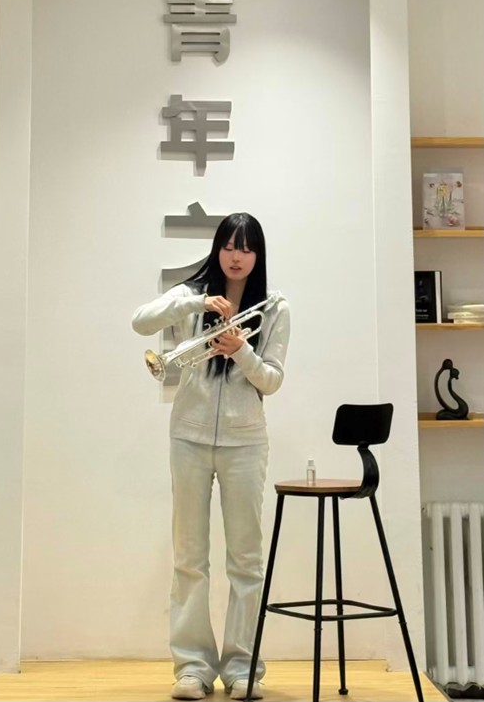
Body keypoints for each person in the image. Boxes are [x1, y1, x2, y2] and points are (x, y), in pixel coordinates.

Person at [132, 213, 290, 701]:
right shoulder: (194, 296)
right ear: (217, 249)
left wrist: (242, 350)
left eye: (246, 248)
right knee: (189, 557)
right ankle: (193, 667)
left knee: (246, 560)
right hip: (189, 437)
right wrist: (197, 301)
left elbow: (271, 380)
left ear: (258, 255)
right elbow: (141, 321)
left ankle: (243, 667)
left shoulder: (275, 308)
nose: (236, 256)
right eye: (228, 246)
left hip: (246, 442)